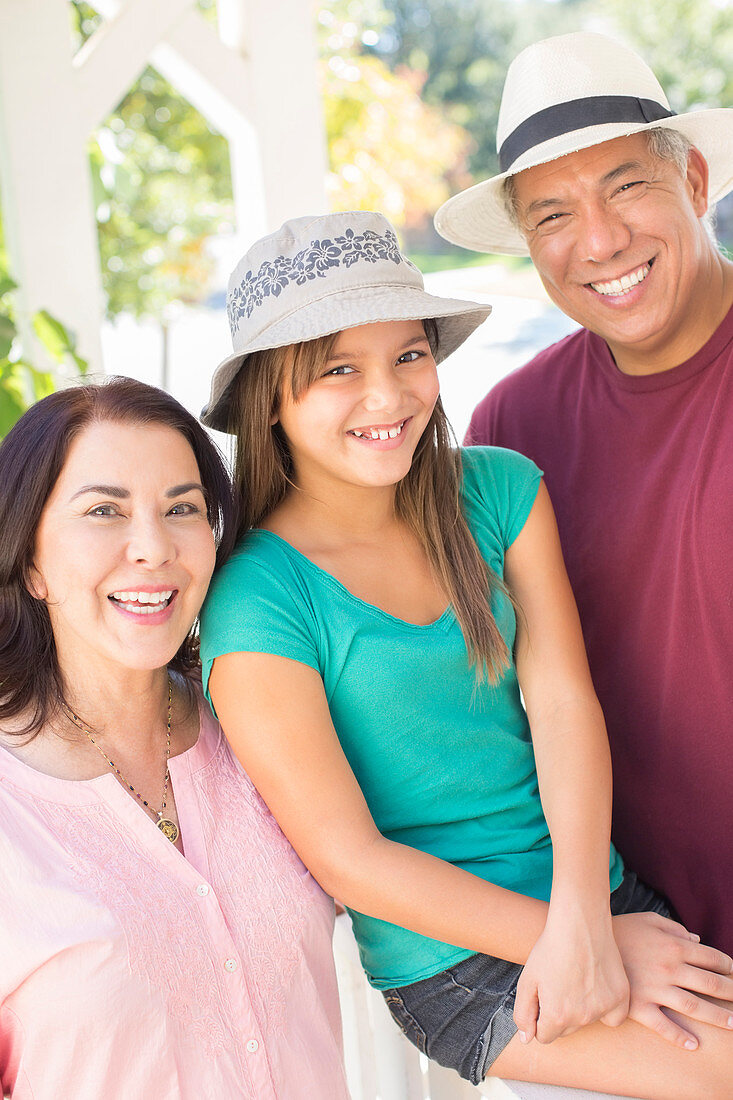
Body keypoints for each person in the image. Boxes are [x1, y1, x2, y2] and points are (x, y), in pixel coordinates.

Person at [198, 211, 733, 1098]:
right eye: (339, 370)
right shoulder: (258, 601)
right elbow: (350, 860)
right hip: (455, 960)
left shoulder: (496, 490)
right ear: (271, 401)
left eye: (408, 356)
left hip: (596, 896)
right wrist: (569, 938)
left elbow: (563, 705)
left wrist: (588, 919)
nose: (388, 396)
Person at [435, 31, 733, 955]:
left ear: (691, 182)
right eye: (552, 215)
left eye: (625, 186)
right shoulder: (510, 430)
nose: (599, 243)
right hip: (649, 958)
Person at [0, 378, 349, 1100]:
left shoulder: (268, 728)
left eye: (182, 508)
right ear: (29, 560)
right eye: (104, 510)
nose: (153, 548)